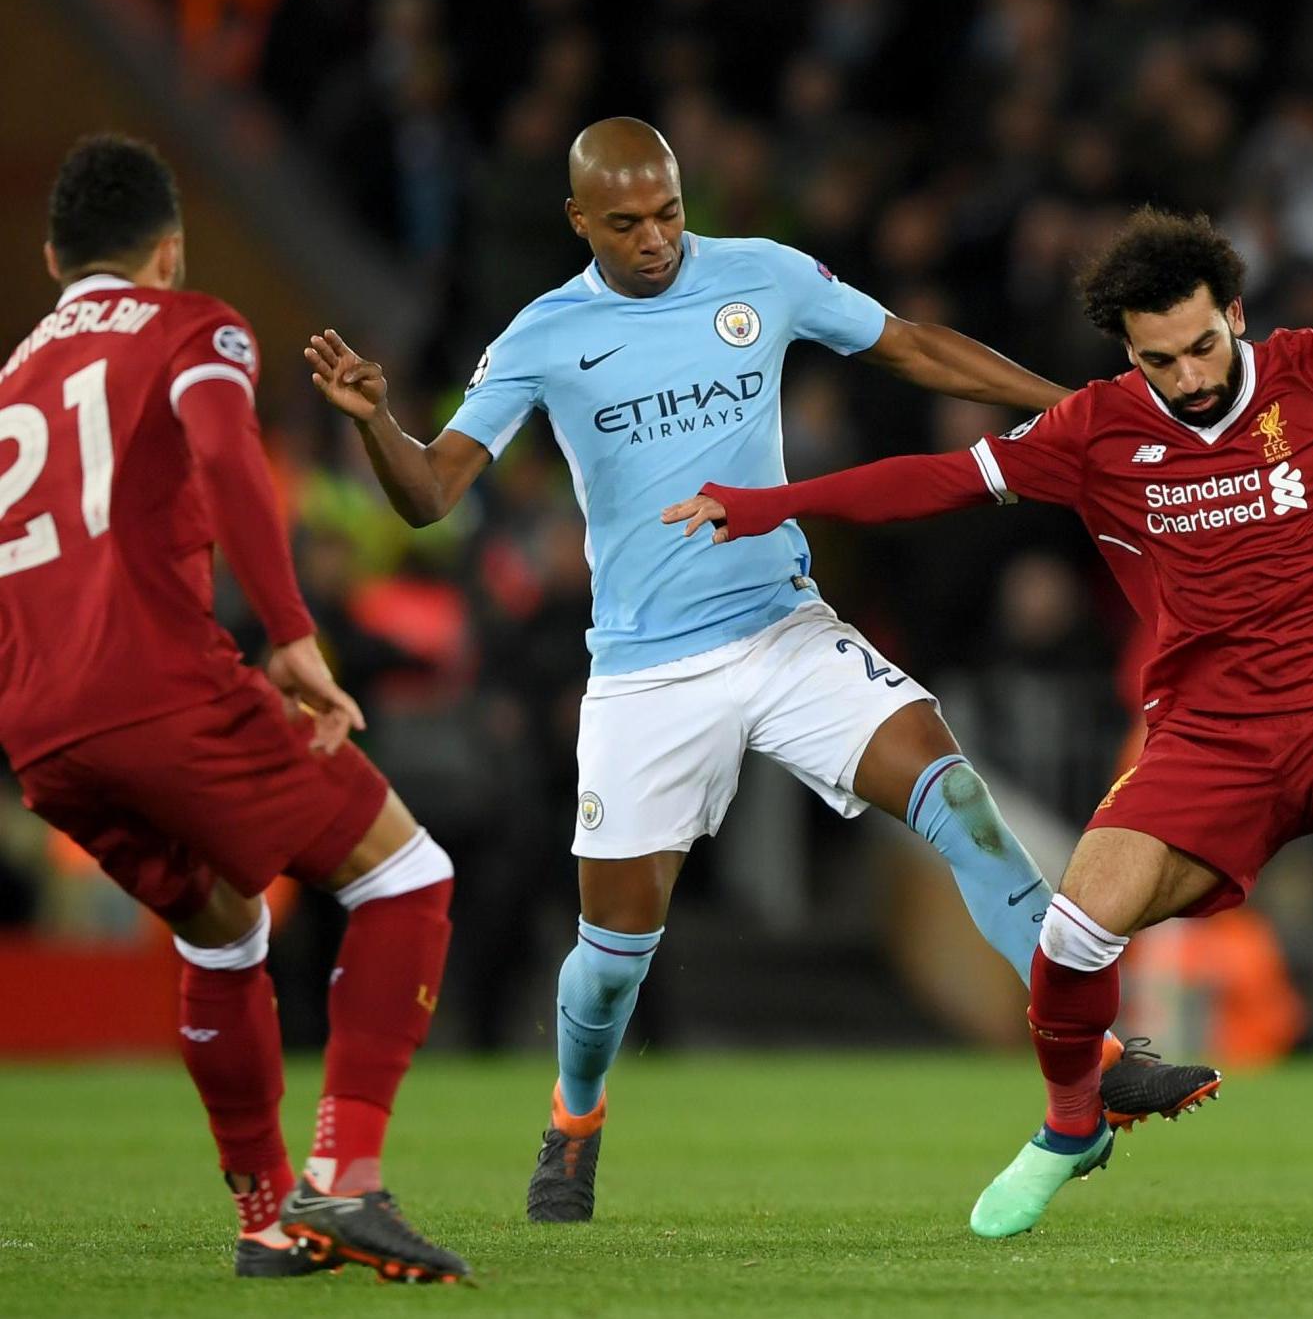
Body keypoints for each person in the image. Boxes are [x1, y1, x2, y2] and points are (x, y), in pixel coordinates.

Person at [662, 206, 1313, 1236]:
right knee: (1072, 936)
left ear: (1238, 313)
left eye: (1204, 345)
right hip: (1207, 737)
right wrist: (768, 505)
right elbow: (934, 481)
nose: (1191, 375)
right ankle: (1072, 1123)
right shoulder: (1095, 429)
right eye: (1160, 359)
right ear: (1128, 351)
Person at [304, 117, 1217, 1225]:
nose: (656, 240)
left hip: (784, 626)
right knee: (610, 961)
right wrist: (374, 427)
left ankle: (1100, 1051)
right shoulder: (544, 334)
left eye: (671, 214)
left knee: (953, 792)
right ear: (579, 221)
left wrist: (1070, 412)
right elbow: (432, 491)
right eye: (628, 223)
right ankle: (575, 1115)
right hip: (647, 674)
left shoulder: (763, 277)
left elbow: (914, 344)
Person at [0, 136, 467, 1282]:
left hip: (41, 730)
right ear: (168, 250)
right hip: (159, 685)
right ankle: (343, 1180)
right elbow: (222, 450)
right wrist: (294, 634)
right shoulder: (193, 325)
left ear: (57, 255)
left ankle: (267, 1220)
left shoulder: (9, 381)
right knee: (405, 874)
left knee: (226, 926)